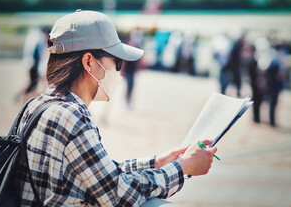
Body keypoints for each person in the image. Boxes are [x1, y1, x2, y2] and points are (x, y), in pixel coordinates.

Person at [15, 10, 217, 206]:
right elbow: (117, 195)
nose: (118, 71)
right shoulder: (71, 116)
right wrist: (181, 169)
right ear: (88, 62)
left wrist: (157, 162)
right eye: (117, 62)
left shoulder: (37, 105)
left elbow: (101, 174)